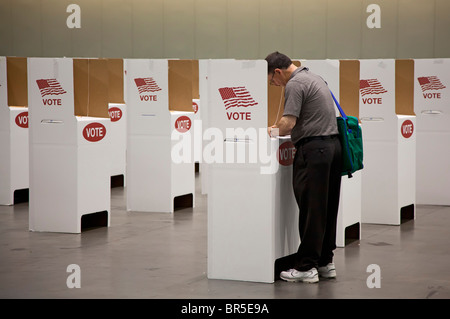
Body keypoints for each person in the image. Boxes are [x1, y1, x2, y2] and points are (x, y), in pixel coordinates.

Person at [266, 52, 342, 283]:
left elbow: (288, 123)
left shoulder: (295, 84)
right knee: (326, 208)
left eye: (272, 81)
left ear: (278, 72)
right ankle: (325, 262)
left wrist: (269, 131)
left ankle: (306, 267)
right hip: (333, 147)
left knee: (311, 210)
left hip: (314, 150)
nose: (275, 85)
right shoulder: (314, 77)